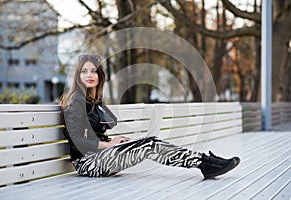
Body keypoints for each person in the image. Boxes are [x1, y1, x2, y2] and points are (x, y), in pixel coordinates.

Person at [60, 54, 240, 179]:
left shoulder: (93, 100)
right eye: (84, 71)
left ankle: (205, 162)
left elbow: (97, 128)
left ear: (100, 75)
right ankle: (204, 163)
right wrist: (109, 144)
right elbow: (77, 140)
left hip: (101, 156)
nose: (89, 75)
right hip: (88, 163)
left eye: (93, 71)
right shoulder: (75, 101)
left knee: (149, 142)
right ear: (77, 75)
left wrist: (115, 140)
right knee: (150, 144)